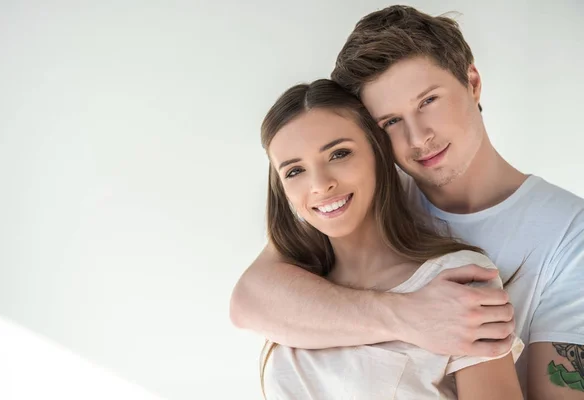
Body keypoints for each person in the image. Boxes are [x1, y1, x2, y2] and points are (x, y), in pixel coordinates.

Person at [230, 5, 584, 398]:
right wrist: (409, 317)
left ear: (473, 81)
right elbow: (251, 300)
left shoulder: (571, 235)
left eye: (428, 101)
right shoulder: (362, 195)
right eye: (390, 121)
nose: (418, 138)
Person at [257, 78, 523, 399]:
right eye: (294, 171)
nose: (320, 184)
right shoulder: (293, 292)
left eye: (339, 154)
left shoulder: (459, 278)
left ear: (377, 152)